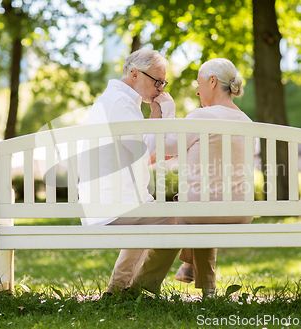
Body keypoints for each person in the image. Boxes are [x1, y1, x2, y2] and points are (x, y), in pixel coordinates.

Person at [131, 58, 254, 297]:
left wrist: (166, 110)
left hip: (202, 211)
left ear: (212, 81)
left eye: (199, 84)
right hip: (241, 212)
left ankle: (142, 286)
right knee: (205, 205)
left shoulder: (203, 116)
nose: (197, 91)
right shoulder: (246, 120)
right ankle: (205, 287)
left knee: (178, 215)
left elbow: (164, 144)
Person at [77, 49, 177, 294]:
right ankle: (138, 289)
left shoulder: (119, 101)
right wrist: (168, 113)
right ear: (134, 74)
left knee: (154, 214)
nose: (161, 89)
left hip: (110, 200)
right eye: (157, 81)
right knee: (175, 220)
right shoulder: (119, 103)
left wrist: (154, 116)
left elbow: (140, 154)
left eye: (163, 82)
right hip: (109, 204)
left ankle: (119, 289)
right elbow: (150, 149)